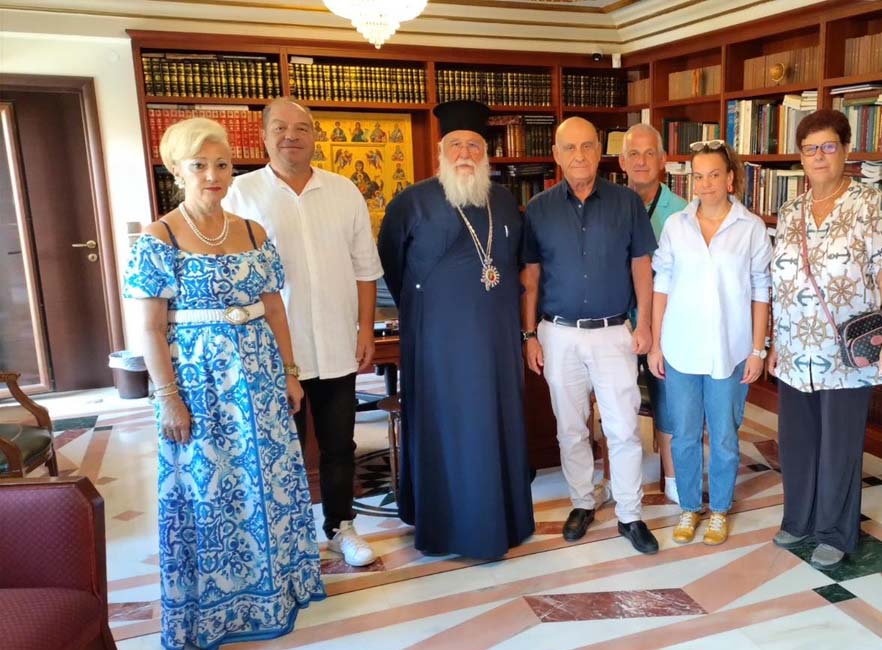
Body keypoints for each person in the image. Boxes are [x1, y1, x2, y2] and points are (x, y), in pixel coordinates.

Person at [123, 117, 325, 650]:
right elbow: (150, 328)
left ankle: (277, 589)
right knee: (209, 489)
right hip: (199, 386)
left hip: (260, 380)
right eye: (200, 165)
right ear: (176, 169)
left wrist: (290, 373)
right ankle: (219, 603)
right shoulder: (159, 238)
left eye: (222, 164)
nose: (213, 175)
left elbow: (275, 309)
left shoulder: (254, 232)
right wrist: (168, 398)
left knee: (269, 482)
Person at [224, 97, 384, 567]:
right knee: (280, 449)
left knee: (340, 445)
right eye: (280, 127)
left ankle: (341, 528)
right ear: (263, 136)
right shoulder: (239, 195)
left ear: (315, 136)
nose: (291, 136)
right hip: (272, 352)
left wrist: (366, 329)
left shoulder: (343, 191)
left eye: (301, 127)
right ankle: (287, 538)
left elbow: (365, 269)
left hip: (336, 343)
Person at [377, 99, 535, 558]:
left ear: (486, 153)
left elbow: (515, 265)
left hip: (496, 339)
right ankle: (448, 527)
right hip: (438, 343)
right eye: (456, 145)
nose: (465, 153)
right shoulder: (411, 202)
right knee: (449, 428)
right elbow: (392, 269)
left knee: (495, 421)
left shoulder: (504, 201)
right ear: (441, 152)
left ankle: (504, 519)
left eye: (474, 145)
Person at [767, 109, 882, 570]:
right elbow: (780, 280)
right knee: (797, 439)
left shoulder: (870, 205)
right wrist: (774, 342)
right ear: (801, 157)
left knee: (839, 444)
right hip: (794, 346)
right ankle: (799, 519)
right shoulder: (790, 211)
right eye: (810, 149)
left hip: (846, 350)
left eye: (828, 146)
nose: (819, 156)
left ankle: (834, 531)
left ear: (846, 150)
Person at [522, 117, 660, 555]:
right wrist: (529, 334)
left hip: (613, 332)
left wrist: (645, 323)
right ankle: (583, 502)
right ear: (556, 154)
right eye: (569, 148)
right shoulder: (539, 208)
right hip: (558, 334)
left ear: (600, 152)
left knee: (623, 427)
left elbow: (642, 266)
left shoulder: (626, 203)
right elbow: (531, 276)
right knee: (570, 428)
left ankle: (630, 514)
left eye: (587, 146)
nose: (579, 156)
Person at [648, 139, 771, 546]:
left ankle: (718, 509)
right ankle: (689, 506)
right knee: (683, 435)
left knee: (723, 436)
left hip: (730, 350)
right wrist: (656, 344)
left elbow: (761, 290)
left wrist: (757, 349)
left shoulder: (751, 228)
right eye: (698, 176)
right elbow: (661, 285)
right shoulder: (676, 225)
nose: (705, 184)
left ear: (730, 178)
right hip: (680, 348)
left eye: (714, 175)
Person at [619, 123, 689, 505]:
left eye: (650, 154)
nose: (642, 161)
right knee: (618, 404)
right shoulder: (610, 205)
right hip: (618, 322)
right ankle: (620, 480)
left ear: (663, 160)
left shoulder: (683, 212)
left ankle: (673, 478)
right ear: (622, 161)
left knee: (668, 402)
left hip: (667, 325)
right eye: (634, 154)